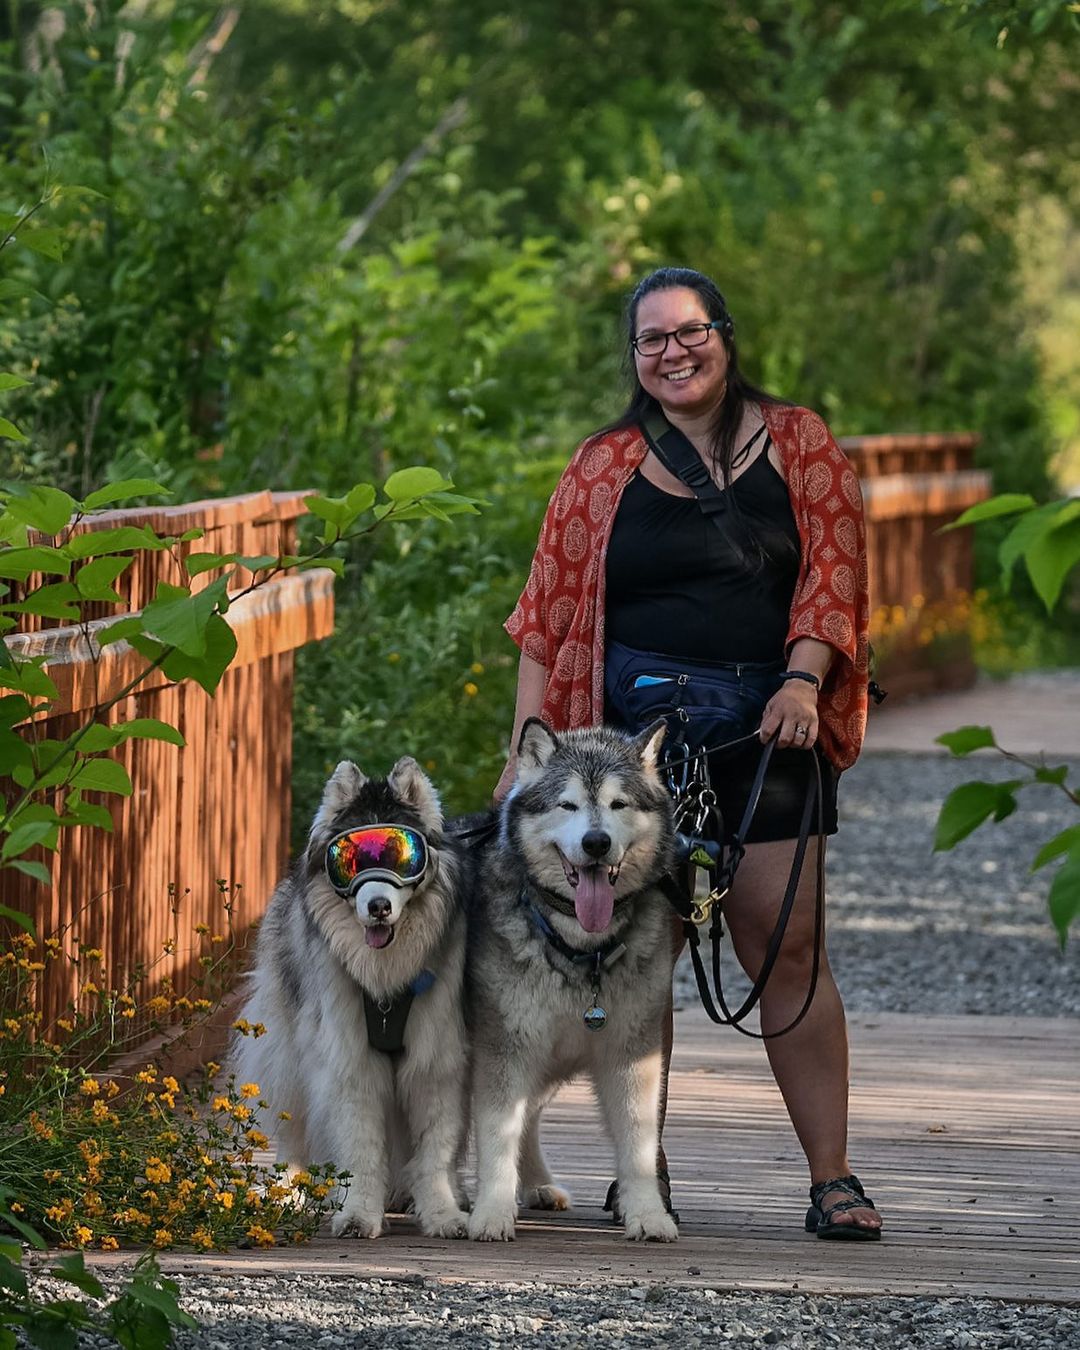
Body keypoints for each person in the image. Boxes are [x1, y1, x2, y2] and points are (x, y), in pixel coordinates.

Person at [494, 265, 882, 1239]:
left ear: (725, 335)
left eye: (689, 331)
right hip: (626, 756)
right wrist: (521, 759)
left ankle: (832, 1176)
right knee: (634, 958)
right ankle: (644, 1172)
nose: (673, 351)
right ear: (635, 357)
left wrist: (803, 679)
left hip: (768, 729)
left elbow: (833, 577)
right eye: (652, 339)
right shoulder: (599, 468)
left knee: (784, 947)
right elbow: (543, 625)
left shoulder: (804, 446)